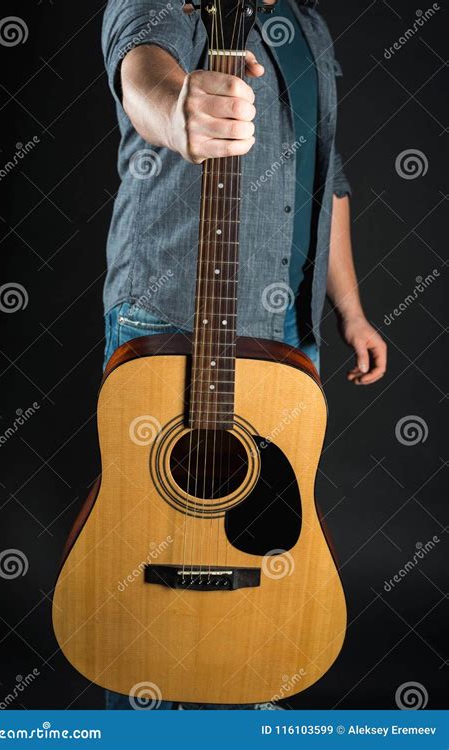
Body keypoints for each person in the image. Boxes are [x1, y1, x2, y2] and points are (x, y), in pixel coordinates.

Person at [101, 0, 387, 709]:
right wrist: (179, 112)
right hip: (173, 318)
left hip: (284, 334)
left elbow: (330, 177)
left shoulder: (306, 24)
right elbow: (144, 73)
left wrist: (348, 309)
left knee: (262, 568)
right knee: (148, 554)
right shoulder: (167, 5)